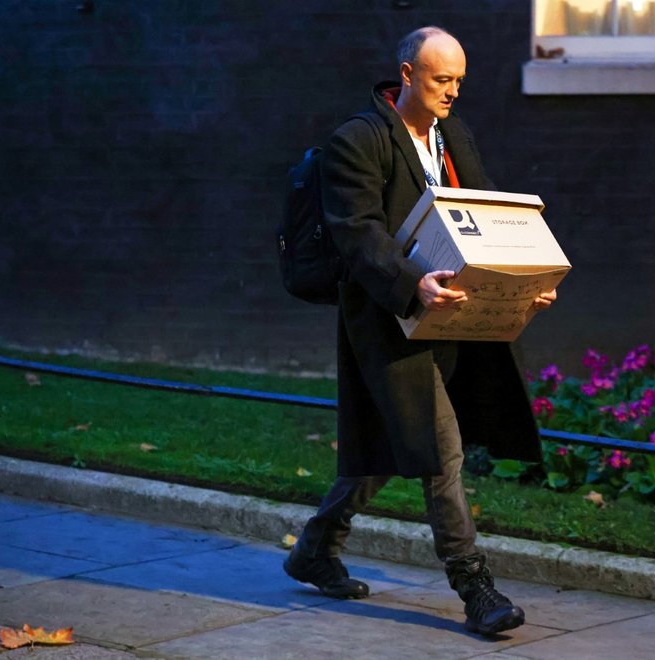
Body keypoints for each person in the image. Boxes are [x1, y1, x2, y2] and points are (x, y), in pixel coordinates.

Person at [283, 25, 557, 637]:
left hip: (453, 313)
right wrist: (414, 285)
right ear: (407, 74)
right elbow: (359, 234)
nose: (453, 91)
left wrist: (522, 280)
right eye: (441, 79)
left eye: (460, 80)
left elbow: (486, 213)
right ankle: (475, 587)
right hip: (386, 321)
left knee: (383, 450)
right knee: (439, 451)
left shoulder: (452, 135)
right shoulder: (357, 139)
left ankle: (314, 548)